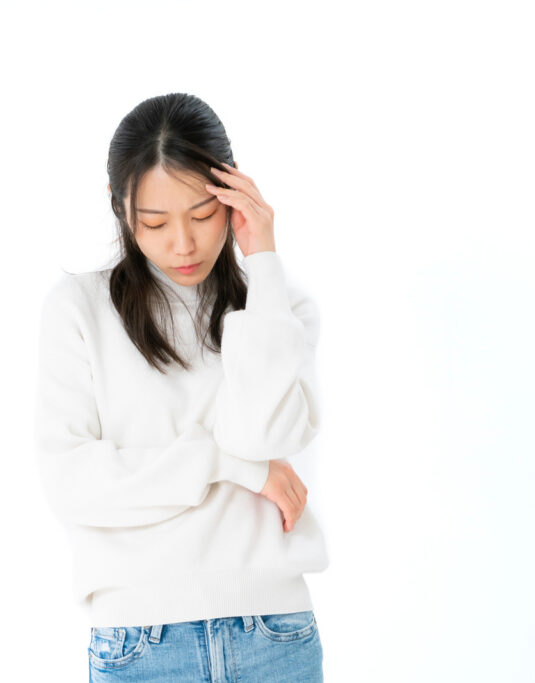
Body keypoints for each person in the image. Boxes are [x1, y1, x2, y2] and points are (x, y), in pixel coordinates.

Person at [33, 92, 329, 682]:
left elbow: (265, 435)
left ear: (233, 194)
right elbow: (74, 484)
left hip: (274, 633)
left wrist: (263, 261)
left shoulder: (278, 308)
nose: (183, 244)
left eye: (202, 214)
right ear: (120, 207)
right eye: (155, 222)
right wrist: (236, 466)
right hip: (141, 644)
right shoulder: (79, 311)